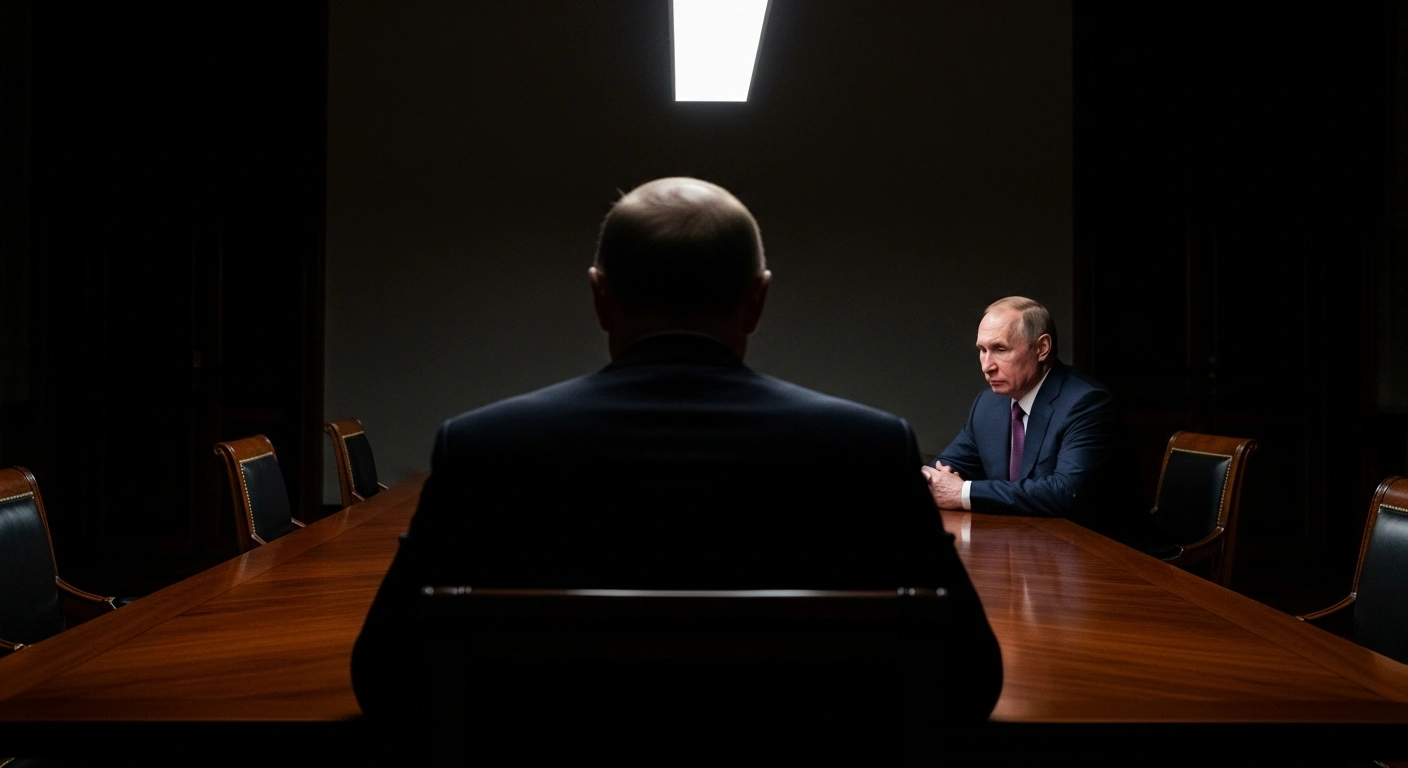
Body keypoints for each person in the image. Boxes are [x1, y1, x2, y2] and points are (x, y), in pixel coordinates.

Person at [350, 177, 1003, 747]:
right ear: (758, 299)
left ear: (600, 296)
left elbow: (385, 679)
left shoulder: (481, 447)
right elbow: (970, 680)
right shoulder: (868, 447)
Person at [922, 296, 1147, 546]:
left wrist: (962, 493)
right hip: (1024, 545)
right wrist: (928, 479)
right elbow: (945, 467)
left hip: (1103, 555)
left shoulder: (1087, 403)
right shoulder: (989, 404)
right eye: (982, 350)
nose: (987, 366)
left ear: (1042, 348)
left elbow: (1064, 493)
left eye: (1000, 349)